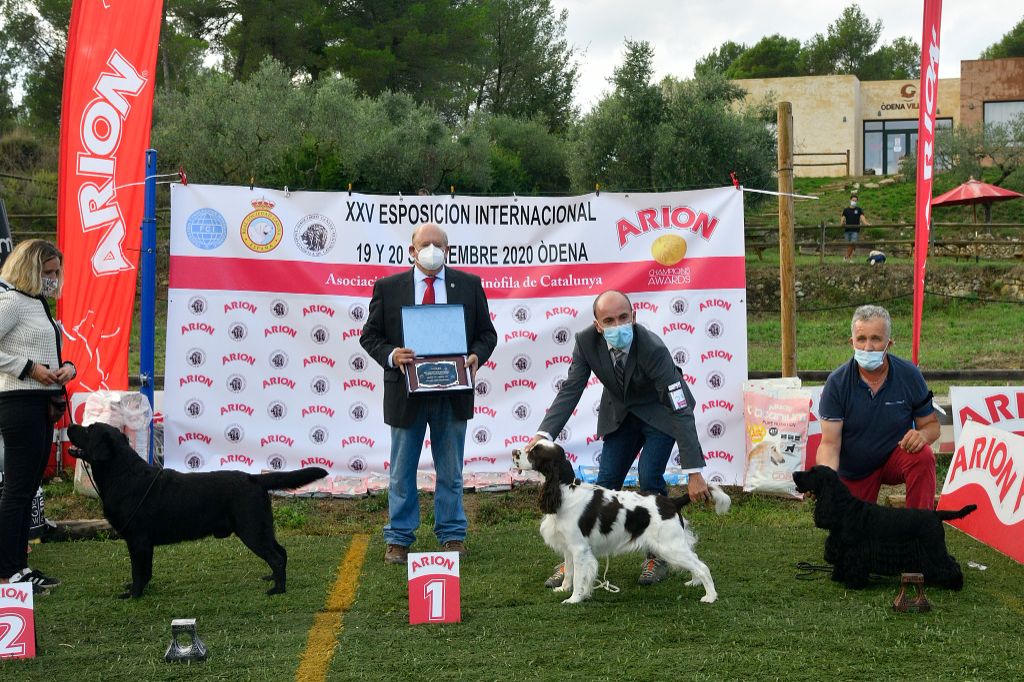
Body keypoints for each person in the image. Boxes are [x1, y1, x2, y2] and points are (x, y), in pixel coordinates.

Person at [524, 289, 712, 587]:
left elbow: (680, 408)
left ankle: (656, 556)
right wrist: (543, 433)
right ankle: (575, 558)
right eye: (608, 320)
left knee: (650, 477)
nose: (617, 325)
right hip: (621, 416)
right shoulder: (586, 342)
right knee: (606, 481)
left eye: (623, 317)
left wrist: (694, 472)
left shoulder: (652, 348)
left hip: (660, 414)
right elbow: (571, 389)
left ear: (634, 316)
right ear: (598, 325)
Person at [360, 223, 497, 565]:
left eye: (438, 244)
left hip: (452, 393)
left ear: (448, 250)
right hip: (406, 393)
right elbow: (370, 336)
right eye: (425, 244)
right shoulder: (388, 288)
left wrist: (477, 355)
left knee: (450, 470)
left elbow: (486, 334)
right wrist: (393, 355)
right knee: (402, 471)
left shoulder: (468, 285)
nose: (431, 250)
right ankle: (399, 539)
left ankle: (452, 535)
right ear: (411, 250)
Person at [0, 239, 76, 592]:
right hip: (19, 402)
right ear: (29, 269)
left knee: (27, 488)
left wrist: (67, 369)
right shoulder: (12, 302)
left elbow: (49, 349)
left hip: (41, 401)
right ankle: (7, 570)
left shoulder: (37, 304)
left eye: (56, 271)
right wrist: (28, 368)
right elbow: (24, 358)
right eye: (48, 272)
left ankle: (19, 567)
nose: (54, 278)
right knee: (17, 491)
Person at [816, 305, 940, 509]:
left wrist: (923, 436)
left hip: (896, 457)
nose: (868, 347)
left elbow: (931, 425)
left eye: (876, 339)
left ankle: (919, 527)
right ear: (852, 343)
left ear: (889, 343)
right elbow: (829, 444)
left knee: (923, 456)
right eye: (861, 339)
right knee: (855, 536)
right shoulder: (837, 382)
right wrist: (825, 479)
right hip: (855, 469)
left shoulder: (910, 375)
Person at [840, 193, 870, 262]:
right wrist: (841, 223)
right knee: (850, 245)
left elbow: (862, 218)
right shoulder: (846, 210)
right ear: (850, 200)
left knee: (852, 243)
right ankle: (850, 258)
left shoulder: (859, 210)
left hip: (855, 230)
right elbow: (842, 218)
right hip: (847, 230)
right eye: (853, 200)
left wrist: (866, 223)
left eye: (855, 201)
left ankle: (846, 257)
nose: (854, 202)